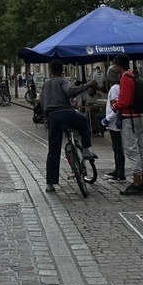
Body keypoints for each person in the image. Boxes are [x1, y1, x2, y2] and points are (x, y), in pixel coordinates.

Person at [41, 59, 97, 193]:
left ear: (50, 70)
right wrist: (88, 84)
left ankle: (50, 183)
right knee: (83, 121)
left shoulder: (46, 84)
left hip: (52, 117)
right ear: (62, 70)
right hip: (65, 112)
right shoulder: (62, 80)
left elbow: (43, 103)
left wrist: (46, 118)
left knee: (53, 151)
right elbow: (71, 91)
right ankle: (86, 150)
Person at [113, 54, 143, 196]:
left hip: (129, 118)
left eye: (115, 64)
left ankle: (136, 182)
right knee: (141, 149)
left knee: (131, 149)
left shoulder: (125, 78)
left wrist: (116, 105)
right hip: (137, 117)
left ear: (119, 65)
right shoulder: (133, 77)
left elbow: (125, 101)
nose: (114, 67)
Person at [101, 66, 126, 183]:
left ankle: (121, 172)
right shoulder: (116, 87)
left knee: (118, 148)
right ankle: (117, 169)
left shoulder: (115, 89)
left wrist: (107, 119)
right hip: (113, 123)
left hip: (114, 123)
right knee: (116, 148)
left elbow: (116, 107)